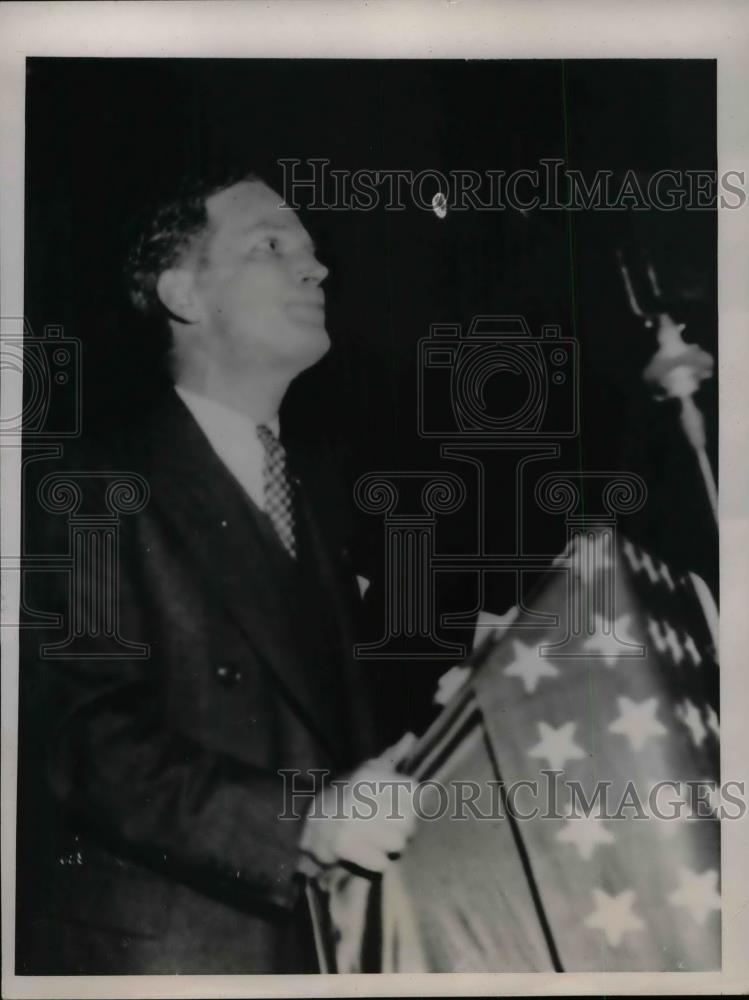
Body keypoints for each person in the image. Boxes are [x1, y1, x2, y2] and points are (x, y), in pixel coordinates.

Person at [16, 171, 416, 974]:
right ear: (183, 295)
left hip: (314, 954)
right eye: (270, 245)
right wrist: (303, 822)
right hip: (166, 963)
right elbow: (77, 739)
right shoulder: (89, 482)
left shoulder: (316, 495)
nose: (316, 268)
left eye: (311, 251)